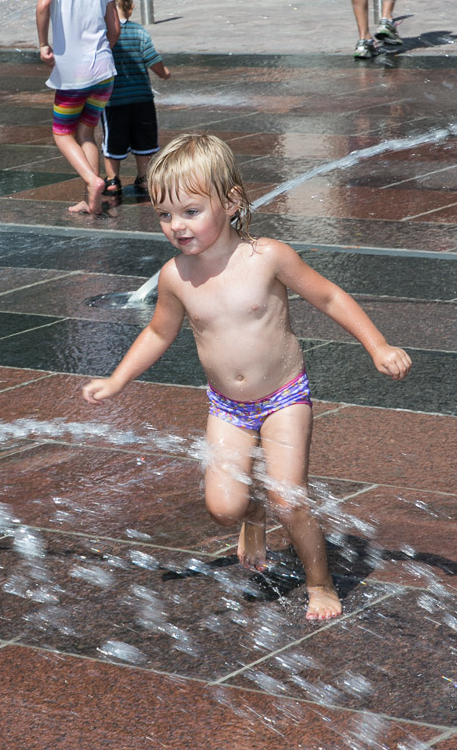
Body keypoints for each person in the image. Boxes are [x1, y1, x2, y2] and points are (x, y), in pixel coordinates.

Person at [83, 133, 412, 620]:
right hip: (227, 406)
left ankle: (320, 583)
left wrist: (378, 345)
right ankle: (251, 515)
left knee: (290, 500)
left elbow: (329, 298)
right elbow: (158, 332)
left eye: (190, 211)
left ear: (232, 201)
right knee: (223, 507)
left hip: (283, 398)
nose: (177, 226)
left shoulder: (268, 257)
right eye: (165, 215)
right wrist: (117, 380)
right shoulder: (176, 276)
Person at [36, 0, 120, 216]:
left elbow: (43, 4)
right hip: (104, 73)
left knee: (62, 132)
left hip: (73, 75)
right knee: (87, 132)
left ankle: (91, 180)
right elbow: (115, 29)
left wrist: (44, 44)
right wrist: (101, 51)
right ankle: (93, 201)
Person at [101, 0, 170, 199]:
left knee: (113, 141)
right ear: (130, 9)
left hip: (113, 101)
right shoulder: (139, 32)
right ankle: (144, 178)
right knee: (144, 140)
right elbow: (153, 59)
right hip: (142, 100)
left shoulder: (103, 34)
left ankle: (112, 180)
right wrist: (164, 73)